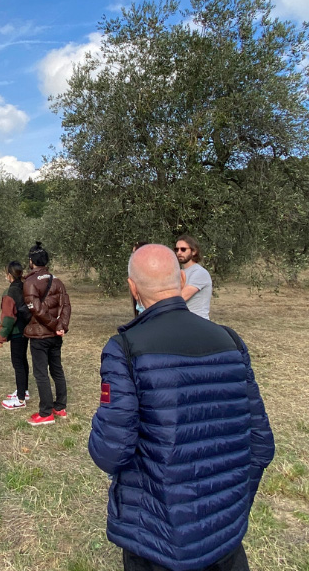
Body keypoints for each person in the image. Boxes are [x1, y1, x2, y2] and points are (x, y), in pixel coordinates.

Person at [89, 244, 274, 571]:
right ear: (181, 278)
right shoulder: (230, 341)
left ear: (133, 288)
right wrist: (230, 507)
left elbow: (110, 452)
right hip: (225, 537)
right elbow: (261, 445)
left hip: (157, 540)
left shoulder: (125, 348)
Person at [22, 242, 70, 425]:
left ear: (31, 261)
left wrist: (54, 325)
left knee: (41, 373)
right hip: (55, 335)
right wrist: (61, 326)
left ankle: (46, 412)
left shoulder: (30, 282)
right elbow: (66, 305)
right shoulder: (57, 280)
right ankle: (60, 407)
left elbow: (36, 309)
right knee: (57, 369)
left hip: (40, 335)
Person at [0, 261, 30, 409]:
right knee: (23, 360)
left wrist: (0, 338)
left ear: (9, 275)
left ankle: (20, 399)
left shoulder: (10, 293)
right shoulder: (26, 287)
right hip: (26, 330)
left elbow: (8, 318)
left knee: (18, 364)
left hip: (16, 333)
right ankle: (24, 390)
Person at [175, 234, 213, 320]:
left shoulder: (200, 273)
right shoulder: (179, 272)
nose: (179, 252)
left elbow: (180, 299)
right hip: (183, 322)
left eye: (183, 249)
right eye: (176, 249)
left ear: (194, 251)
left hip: (198, 323)